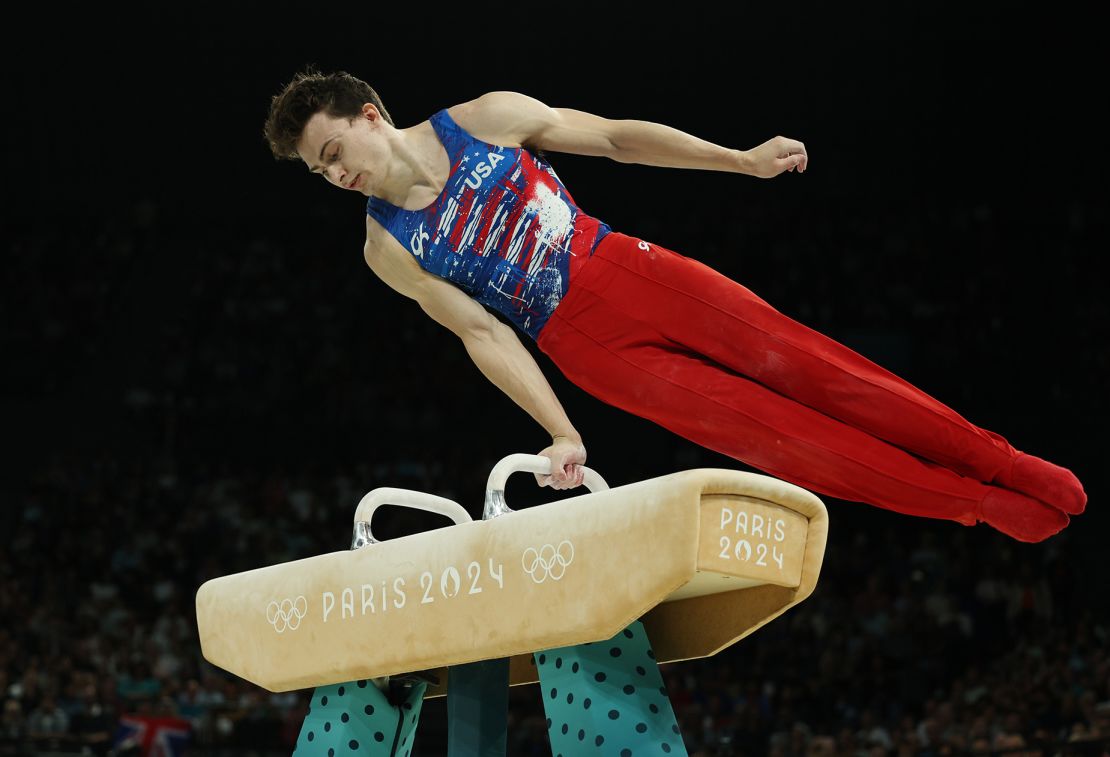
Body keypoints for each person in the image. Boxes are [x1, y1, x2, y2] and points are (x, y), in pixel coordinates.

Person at [263, 68, 1086, 542]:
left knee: (821, 371)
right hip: (585, 349)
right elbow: (483, 332)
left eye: (334, 152)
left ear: (370, 116)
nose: (338, 176)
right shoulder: (386, 248)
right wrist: (561, 429)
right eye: (320, 173)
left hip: (629, 267)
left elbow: (619, 137)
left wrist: (738, 160)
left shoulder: (485, 119)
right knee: (783, 441)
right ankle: (974, 502)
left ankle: (1000, 460)